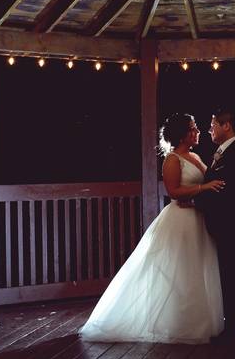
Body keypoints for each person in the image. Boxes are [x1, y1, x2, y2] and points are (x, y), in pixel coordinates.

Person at [79, 113, 226, 344]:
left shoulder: (195, 156)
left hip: (197, 218)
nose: (197, 132)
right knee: (181, 271)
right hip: (180, 221)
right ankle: (181, 324)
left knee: (196, 270)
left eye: (196, 128)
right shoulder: (172, 160)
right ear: (181, 134)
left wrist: (203, 193)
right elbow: (174, 192)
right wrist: (203, 187)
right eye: (192, 128)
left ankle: (199, 322)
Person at [193, 109, 235, 339]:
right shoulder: (222, 152)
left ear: (227, 126)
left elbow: (225, 189)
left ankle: (234, 330)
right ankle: (230, 326)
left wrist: (197, 199)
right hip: (228, 224)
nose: (210, 129)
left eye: (213, 125)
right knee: (229, 277)